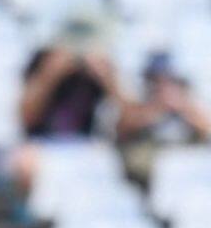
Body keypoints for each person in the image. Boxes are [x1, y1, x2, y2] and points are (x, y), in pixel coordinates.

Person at [11, 14, 130, 190]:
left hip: (85, 144)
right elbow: (26, 117)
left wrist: (108, 81)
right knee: (26, 163)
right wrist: (51, 74)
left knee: (112, 165)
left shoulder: (101, 69)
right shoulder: (42, 60)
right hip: (42, 142)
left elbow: (126, 120)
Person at [116, 53, 211, 186]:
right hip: (149, 171)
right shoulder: (139, 101)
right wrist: (157, 108)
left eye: (168, 79)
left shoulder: (190, 102)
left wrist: (181, 106)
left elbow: (206, 128)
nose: (162, 84)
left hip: (186, 165)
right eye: (156, 79)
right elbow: (122, 127)